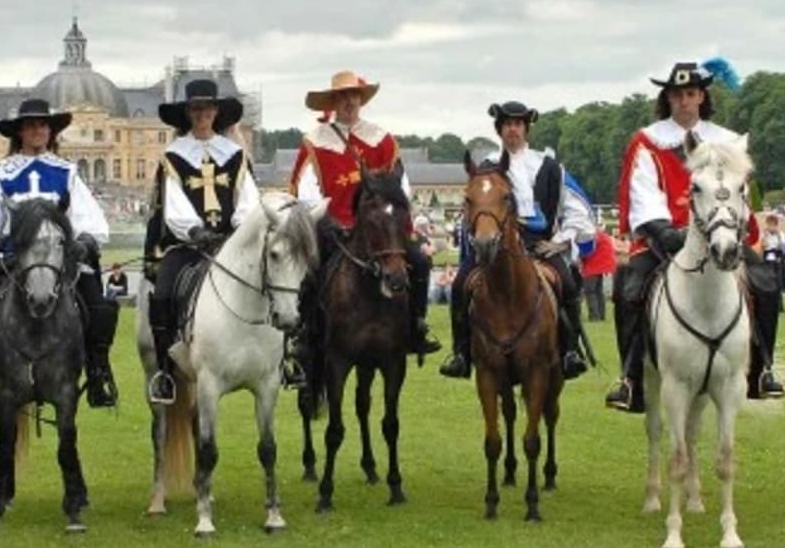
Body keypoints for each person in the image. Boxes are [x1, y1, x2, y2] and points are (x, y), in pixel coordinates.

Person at [608, 60, 785, 413]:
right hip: (665, 238)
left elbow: (740, 193)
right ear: (668, 98)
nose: (684, 101)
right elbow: (642, 192)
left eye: (691, 94)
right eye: (677, 95)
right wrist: (666, 232)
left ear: (702, 96)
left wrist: (730, 227)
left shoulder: (728, 142)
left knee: (765, 282)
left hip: (720, 233)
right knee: (629, 287)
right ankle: (630, 379)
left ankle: (762, 369)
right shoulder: (648, 141)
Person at [0, 97, 120, 410]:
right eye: (31, 125)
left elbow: (87, 214)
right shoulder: (1, 172)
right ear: (20, 132)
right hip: (14, 259)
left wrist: (85, 240)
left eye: (43, 125)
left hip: (59, 260)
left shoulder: (67, 171)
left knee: (97, 305)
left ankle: (98, 371)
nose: (38, 130)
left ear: (51, 131)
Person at [289, 70, 441, 380]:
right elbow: (304, 191)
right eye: (343, 96)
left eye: (354, 96)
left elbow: (403, 188)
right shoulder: (316, 142)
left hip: (381, 231)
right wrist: (326, 220)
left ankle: (416, 327)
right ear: (333, 101)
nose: (349, 102)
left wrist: (394, 220)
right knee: (309, 274)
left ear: (361, 100)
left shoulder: (381, 139)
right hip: (337, 229)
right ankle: (304, 336)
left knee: (420, 263)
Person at [440, 99, 593, 381]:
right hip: (493, 246)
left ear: (526, 129)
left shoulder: (548, 166)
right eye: (508, 124)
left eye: (518, 124)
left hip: (540, 246)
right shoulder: (485, 168)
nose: (513, 130)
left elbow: (577, 209)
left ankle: (571, 351)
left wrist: (561, 240)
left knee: (568, 283)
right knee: (461, 283)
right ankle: (461, 353)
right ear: (500, 129)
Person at [145, 79, 261, 403]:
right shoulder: (174, 155)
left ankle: (282, 359)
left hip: (230, 242)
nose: (202, 115)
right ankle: (166, 371)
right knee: (164, 294)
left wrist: (238, 229)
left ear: (217, 112)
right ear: (188, 113)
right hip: (187, 245)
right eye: (196, 108)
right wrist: (195, 232)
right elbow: (173, 203)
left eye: (208, 108)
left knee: (273, 283)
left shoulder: (235, 155)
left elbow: (247, 199)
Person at [582, 227, 617, 321]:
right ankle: (601, 315)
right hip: (601, 267)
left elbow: (585, 252)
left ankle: (594, 316)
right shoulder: (603, 236)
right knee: (598, 292)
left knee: (590, 292)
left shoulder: (592, 236)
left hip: (593, 266)